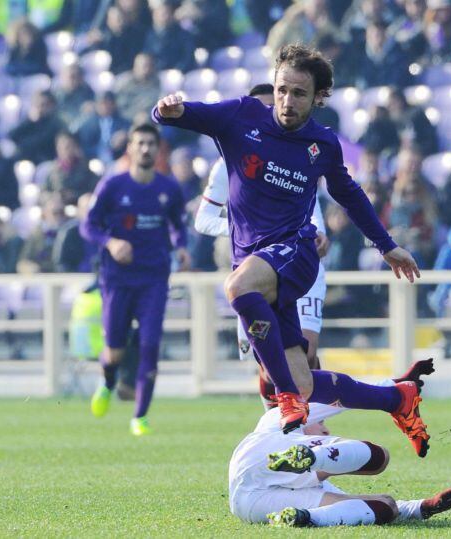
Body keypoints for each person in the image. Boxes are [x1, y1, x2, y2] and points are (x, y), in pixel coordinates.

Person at [153, 44, 421, 437]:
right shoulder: (241, 116)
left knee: (238, 289)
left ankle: (286, 397)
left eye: (298, 93)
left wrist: (386, 245)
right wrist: (166, 109)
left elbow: (350, 195)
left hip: (296, 252)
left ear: (317, 98)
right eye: (281, 90)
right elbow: (174, 115)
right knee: (306, 381)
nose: (287, 101)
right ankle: (398, 398)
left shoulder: (322, 144)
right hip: (253, 259)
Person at [194, 83, 328, 396]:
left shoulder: (297, 153)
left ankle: (314, 423)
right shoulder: (228, 163)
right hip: (255, 265)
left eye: (272, 107)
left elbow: (313, 206)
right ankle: (283, 423)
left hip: (298, 258)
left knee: (306, 351)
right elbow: (203, 221)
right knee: (271, 360)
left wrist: (320, 233)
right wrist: (245, 227)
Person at [230, 379, 451, 527]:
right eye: (323, 428)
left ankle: (304, 518)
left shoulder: (277, 420)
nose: (326, 432)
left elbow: (343, 396)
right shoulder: (279, 419)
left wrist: (429, 505)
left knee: (386, 507)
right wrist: (391, 386)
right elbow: (341, 397)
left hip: (247, 504)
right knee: (380, 457)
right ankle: (312, 462)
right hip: (260, 466)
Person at [81, 123, 190, 436]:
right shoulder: (112, 186)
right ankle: (108, 380)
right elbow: (88, 227)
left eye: (150, 144)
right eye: (139, 143)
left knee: (150, 345)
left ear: (158, 150)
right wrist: (111, 243)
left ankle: (140, 417)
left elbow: (177, 226)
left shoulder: (168, 189)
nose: (145, 149)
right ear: (129, 149)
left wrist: (181, 248)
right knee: (114, 349)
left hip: (154, 278)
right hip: (117, 280)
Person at [42, 131, 100, 205]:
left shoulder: (85, 169)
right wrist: (52, 197)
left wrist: (74, 195)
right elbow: (43, 192)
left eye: (68, 146)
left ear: (75, 147)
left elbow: (95, 191)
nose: (64, 150)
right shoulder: (52, 171)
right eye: (60, 147)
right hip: (58, 210)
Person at [9, 90, 66, 165]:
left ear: (52, 106)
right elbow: (12, 135)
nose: (39, 108)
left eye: (43, 105)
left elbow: (39, 142)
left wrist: (21, 143)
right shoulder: (32, 120)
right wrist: (30, 121)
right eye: (36, 104)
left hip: (46, 161)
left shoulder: (56, 123)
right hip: (27, 159)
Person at [17, 192, 70, 273]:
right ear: (44, 211)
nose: (58, 206)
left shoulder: (71, 233)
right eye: (55, 212)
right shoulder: (36, 234)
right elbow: (23, 263)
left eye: (60, 212)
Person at [74, 91, 131, 164]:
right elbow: (84, 147)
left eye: (108, 103)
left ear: (114, 104)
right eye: (102, 103)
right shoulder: (88, 125)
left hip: (118, 160)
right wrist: (101, 151)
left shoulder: (124, 123)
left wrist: (125, 135)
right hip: (94, 161)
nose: (105, 107)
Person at [142, 0, 196, 72]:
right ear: (154, 15)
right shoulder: (145, 34)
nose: (164, 17)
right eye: (160, 13)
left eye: (166, 13)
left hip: (175, 74)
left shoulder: (183, 35)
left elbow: (188, 57)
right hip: (151, 74)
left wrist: (178, 70)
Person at [113, 52, 162, 123]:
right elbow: (119, 107)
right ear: (135, 66)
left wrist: (148, 115)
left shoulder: (158, 83)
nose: (146, 69)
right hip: (125, 121)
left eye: (149, 66)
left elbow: (160, 106)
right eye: (143, 66)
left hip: (151, 121)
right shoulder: (124, 83)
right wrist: (134, 116)